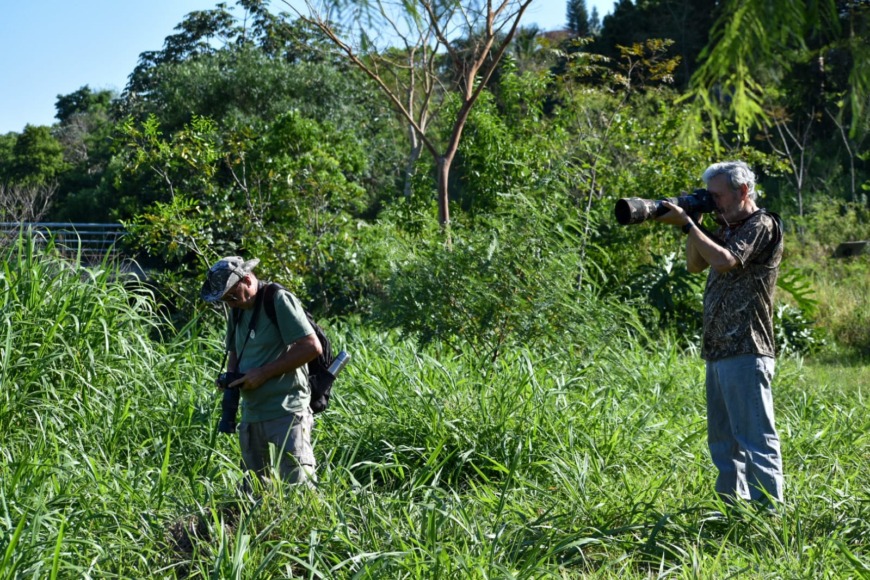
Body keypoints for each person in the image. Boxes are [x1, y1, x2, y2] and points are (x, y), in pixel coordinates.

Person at [656, 161, 784, 506]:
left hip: (747, 347)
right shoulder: (725, 227)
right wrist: (694, 222)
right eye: (708, 196)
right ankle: (731, 509)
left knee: (755, 437)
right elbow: (696, 264)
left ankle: (769, 513)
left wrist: (687, 226)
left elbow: (726, 261)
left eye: (717, 195)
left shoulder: (762, 224)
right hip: (718, 349)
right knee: (724, 444)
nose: (713, 202)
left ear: (743, 191)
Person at [201, 256, 321, 488]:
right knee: (256, 492)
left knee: (299, 489)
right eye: (225, 300)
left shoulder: (277, 299)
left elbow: (311, 346)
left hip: (287, 411)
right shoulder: (237, 310)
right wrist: (231, 380)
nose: (230, 304)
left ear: (247, 279)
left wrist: (263, 373)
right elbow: (234, 353)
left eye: (232, 296)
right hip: (252, 414)